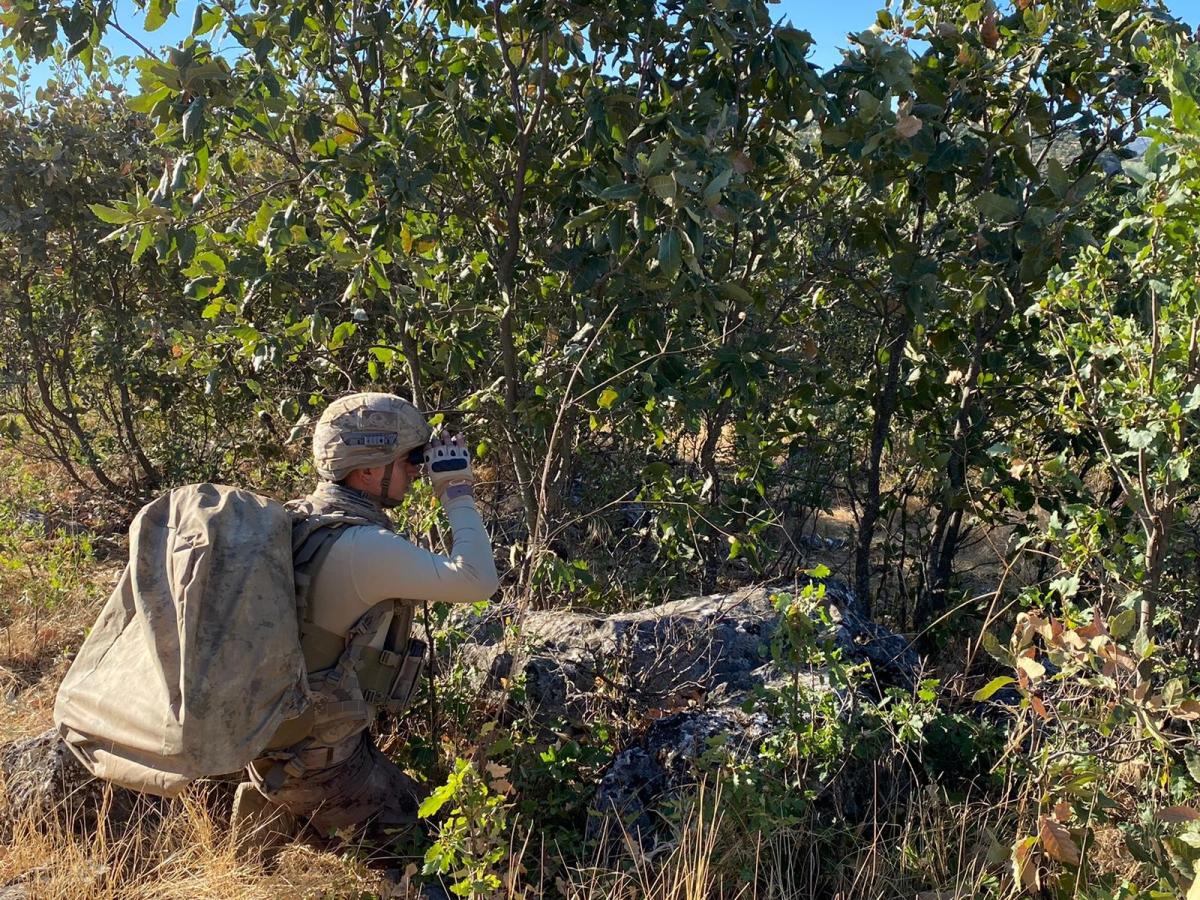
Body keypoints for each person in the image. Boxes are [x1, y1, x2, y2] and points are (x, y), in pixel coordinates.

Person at [231, 391, 499, 854]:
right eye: (410, 458)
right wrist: (456, 492)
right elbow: (477, 581)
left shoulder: (300, 519)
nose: (418, 469)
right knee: (453, 850)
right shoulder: (361, 545)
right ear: (368, 470)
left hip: (283, 744)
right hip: (322, 767)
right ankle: (296, 813)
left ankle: (278, 807)